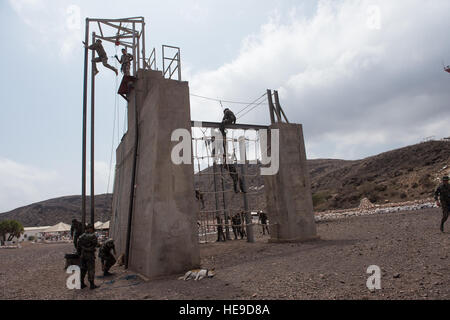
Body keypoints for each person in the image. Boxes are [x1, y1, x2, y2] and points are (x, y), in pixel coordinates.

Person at [77, 224, 99, 289]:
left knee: (83, 269)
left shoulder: (81, 236)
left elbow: (78, 246)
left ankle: (81, 284)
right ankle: (92, 285)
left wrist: (79, 253)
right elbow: (95, 245)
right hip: (90, 254)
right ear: (90, 228)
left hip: (83, 254)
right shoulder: (93, 236)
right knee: (91, 269)